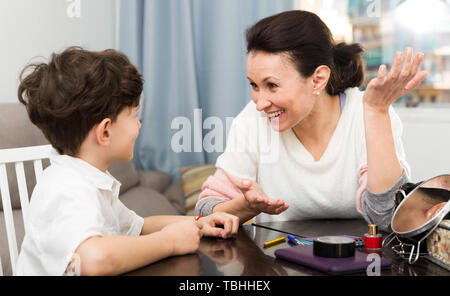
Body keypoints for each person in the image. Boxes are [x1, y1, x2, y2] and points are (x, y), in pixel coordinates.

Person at [195, 10, 428, 231]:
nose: (260, 103)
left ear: (317, 80)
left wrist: (377, 113)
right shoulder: (253, 119)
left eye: (272, 85)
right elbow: (206, 211)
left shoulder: (368, 114)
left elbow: (389, 217)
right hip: (277, 263)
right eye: (254, 85)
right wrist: (247, 206)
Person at [15, 47, 239, 276]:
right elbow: (93, 260)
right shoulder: (66, 188)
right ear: (105, 132)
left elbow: (138, 227)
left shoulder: (93, 179)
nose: (139, 125)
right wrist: (170, 242)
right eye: (134, 116)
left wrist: (199, 222)